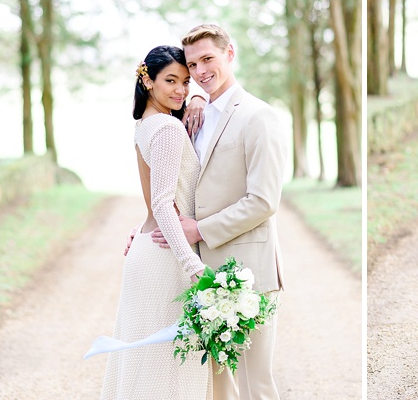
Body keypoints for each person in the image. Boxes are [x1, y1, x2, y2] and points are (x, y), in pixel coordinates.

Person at [151, 24, 287, 400]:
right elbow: (177, 187)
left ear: (230, 54)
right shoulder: (193, 116)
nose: (199, 71)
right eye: (192, 65)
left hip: (249, 273)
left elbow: (263, 201)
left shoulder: (259, 116)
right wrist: (144, 226)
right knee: (215, 385)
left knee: (254, 384)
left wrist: (200, 230)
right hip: (203, 275)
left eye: (207, 59)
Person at [102, 45, 212, 399]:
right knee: (169, 375)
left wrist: (196, 97)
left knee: (146, 370)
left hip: (150, 251)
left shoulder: (146, 124)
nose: (180, 90)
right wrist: (192, 265)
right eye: (171, 81)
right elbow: (163, 203)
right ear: (147, 80)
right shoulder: (166, 127)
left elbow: (155, 202)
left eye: (185, 81)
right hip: (167, 259)